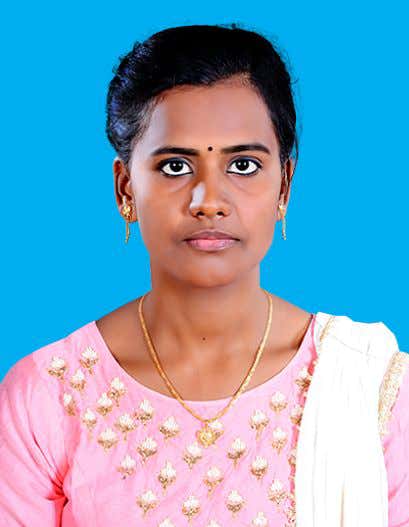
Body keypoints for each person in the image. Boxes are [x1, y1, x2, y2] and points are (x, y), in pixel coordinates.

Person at [0, 23, 408, 527]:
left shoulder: (371, 388)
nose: (209, 201)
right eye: (175, 166)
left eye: (243, 165)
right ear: (126, 189)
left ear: (284, 186)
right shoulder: (47, 397)